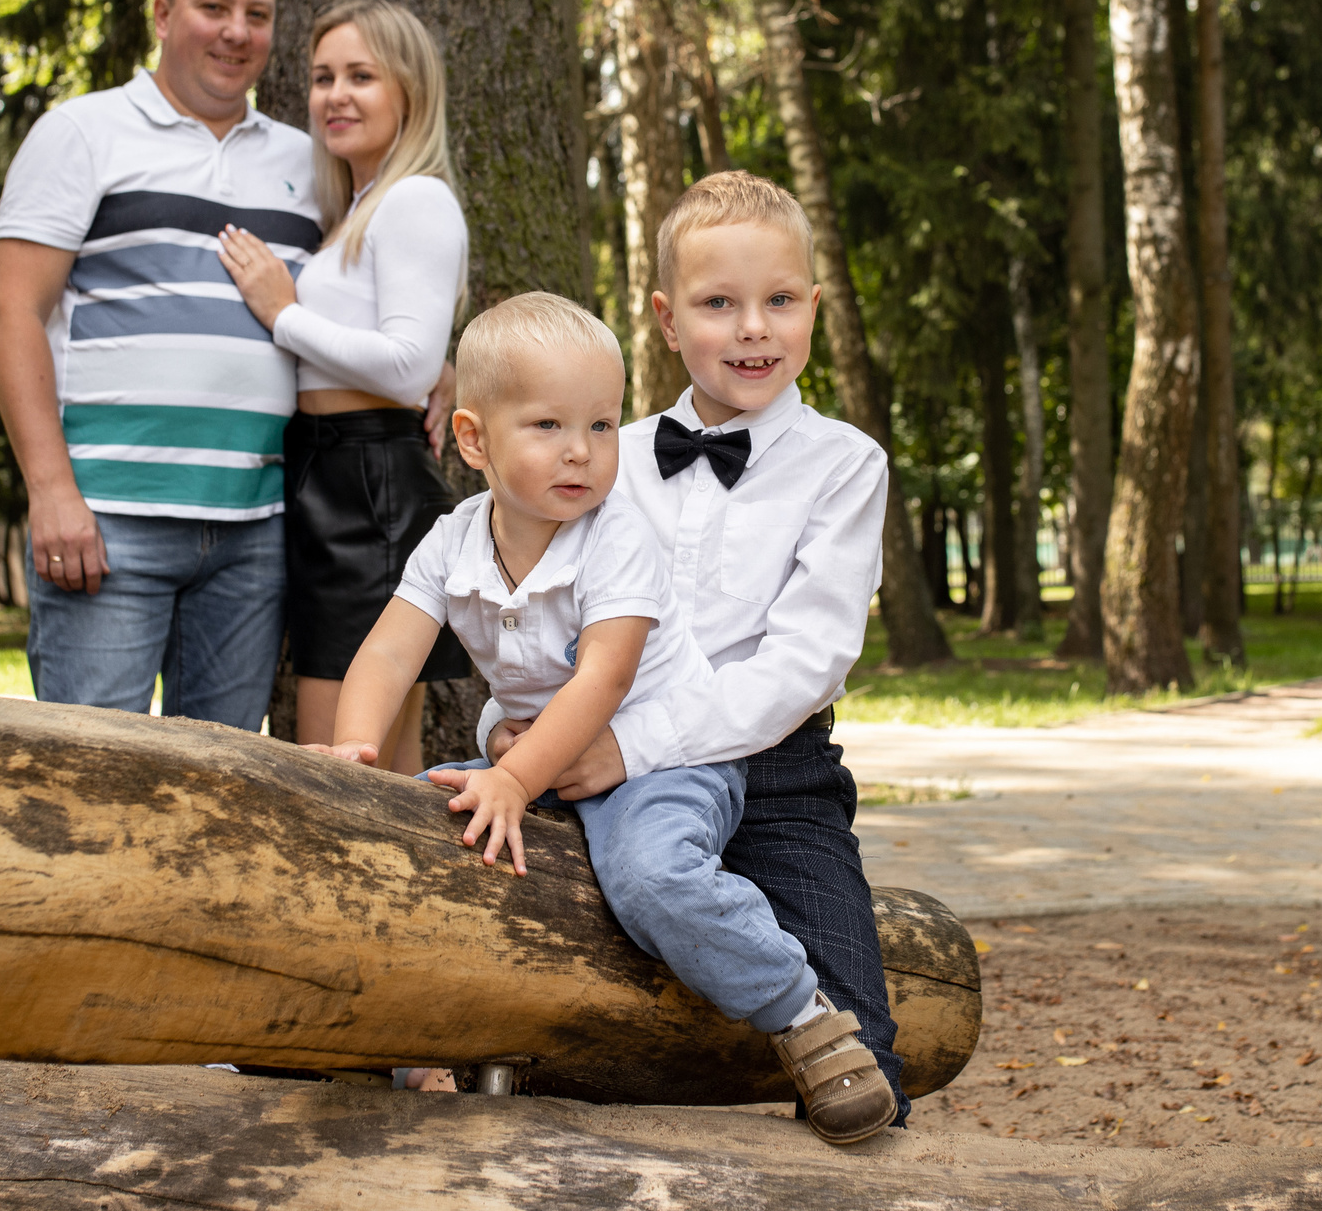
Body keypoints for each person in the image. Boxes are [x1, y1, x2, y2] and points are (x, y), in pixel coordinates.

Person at [321, 291, 899, 1146]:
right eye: (549, 426)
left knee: (652, 876)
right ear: (474, 439)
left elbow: (603, 679)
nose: (583, 452)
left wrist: (517, 776)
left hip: (666, 761)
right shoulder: (451, 541)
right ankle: (408, 1042)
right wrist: (352, 749)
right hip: (546, 760)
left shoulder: (617, 532)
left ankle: (801, 1011)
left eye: (600, 426)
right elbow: (387, 652)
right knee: (405, 831)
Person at [482, 171, 913, 1127]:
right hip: (596, 755)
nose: (753, 327)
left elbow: (806, 662)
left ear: (814, 307)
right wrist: (516, 728)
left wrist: (629, 748)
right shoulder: (606, 454)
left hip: (775, 773)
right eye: (720, 304)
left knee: (864, 1045)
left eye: (779, 301)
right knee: (498, 900)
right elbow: (535, 613)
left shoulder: (847, 465)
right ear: (670, 322)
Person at [0, 0, 314, 728]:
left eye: (257, 15)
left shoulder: (307, 162)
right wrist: (52, 491)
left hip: (253, 531)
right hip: (105, 521)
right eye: (214, 8)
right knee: (90, 776)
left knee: (220, 783)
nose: (236, 31)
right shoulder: (82, 133)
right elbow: (9, 316)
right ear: (164, 15)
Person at [214, 0, 471, 776]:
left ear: (409, 92)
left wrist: (282, 312)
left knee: (337, 769)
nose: (336, 95)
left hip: (370, 490)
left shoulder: (415, 198)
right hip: (331, 471)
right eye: (324, 77)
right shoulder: (358, 204)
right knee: (371, 768)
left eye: (362, 75)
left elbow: (409, 364)